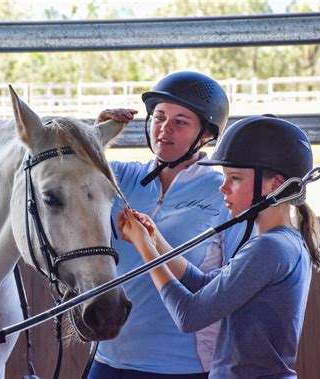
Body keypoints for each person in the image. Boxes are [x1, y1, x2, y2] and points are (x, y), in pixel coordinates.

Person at [117, 115, 320, 378]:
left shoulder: (269, 249)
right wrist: (155, 238)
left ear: (275, 186)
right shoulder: (284, 242)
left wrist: (144, 248)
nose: (223, 188)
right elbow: (202, 283)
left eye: (235, 178)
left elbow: (190, 316)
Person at [88, 71, 246, 378]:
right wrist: (95, 138)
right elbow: (65, 175)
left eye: (180, 122)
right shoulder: (119, 177)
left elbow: (225, 286)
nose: (164, 129)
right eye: (159, 117)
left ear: (206, 136)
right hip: (107, 361)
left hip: (180, 368)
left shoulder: (223, 193)